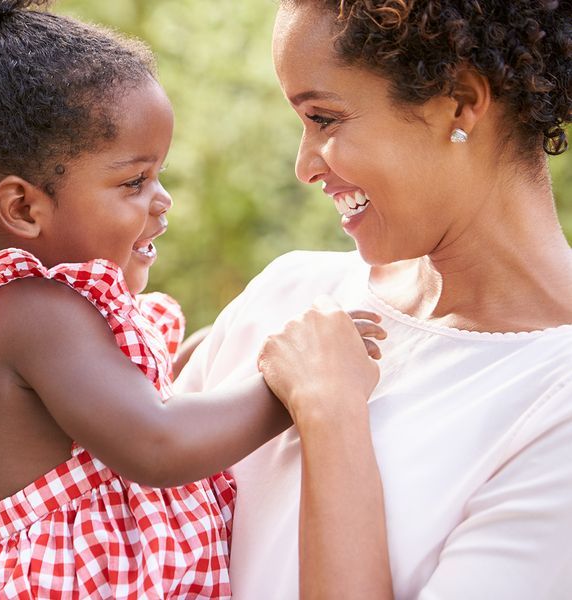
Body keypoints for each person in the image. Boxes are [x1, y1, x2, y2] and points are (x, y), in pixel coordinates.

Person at [0, 1, 384, 597]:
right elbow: (158, 443)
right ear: (23, 208)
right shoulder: (31, 311)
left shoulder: (67, 317)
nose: (162, 200)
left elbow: (123, 416)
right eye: (132, 182)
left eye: (158, 175)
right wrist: (299, 385)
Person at [176, 0, 572, 598]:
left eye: (325, 119)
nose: (304, 166)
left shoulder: (555, 402)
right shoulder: (287, 294)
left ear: (460, 102)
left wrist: (329, 415)